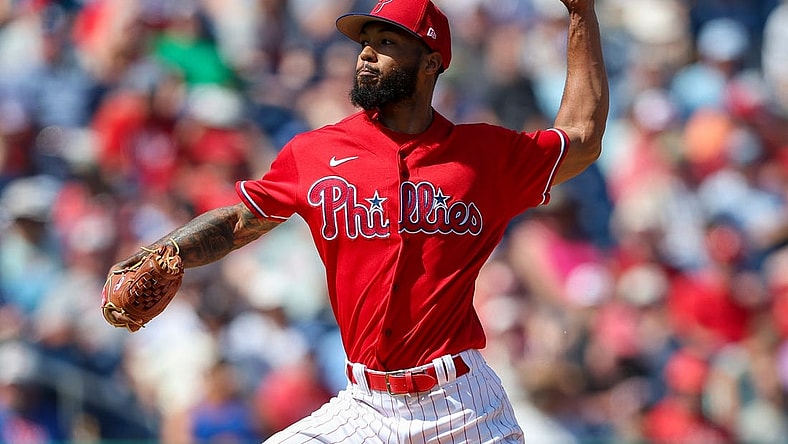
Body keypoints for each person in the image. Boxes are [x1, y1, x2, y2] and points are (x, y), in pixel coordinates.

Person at [105, 0, 608, 441]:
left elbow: (582, 136)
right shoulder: (316, 151)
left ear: (431, 63)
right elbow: (240, 222)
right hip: (365, 404)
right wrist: (164, 252)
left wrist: (581, 13)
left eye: (387, 41)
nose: (366, 53)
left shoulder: (484, 155)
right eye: (365, 42)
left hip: (463, 405)